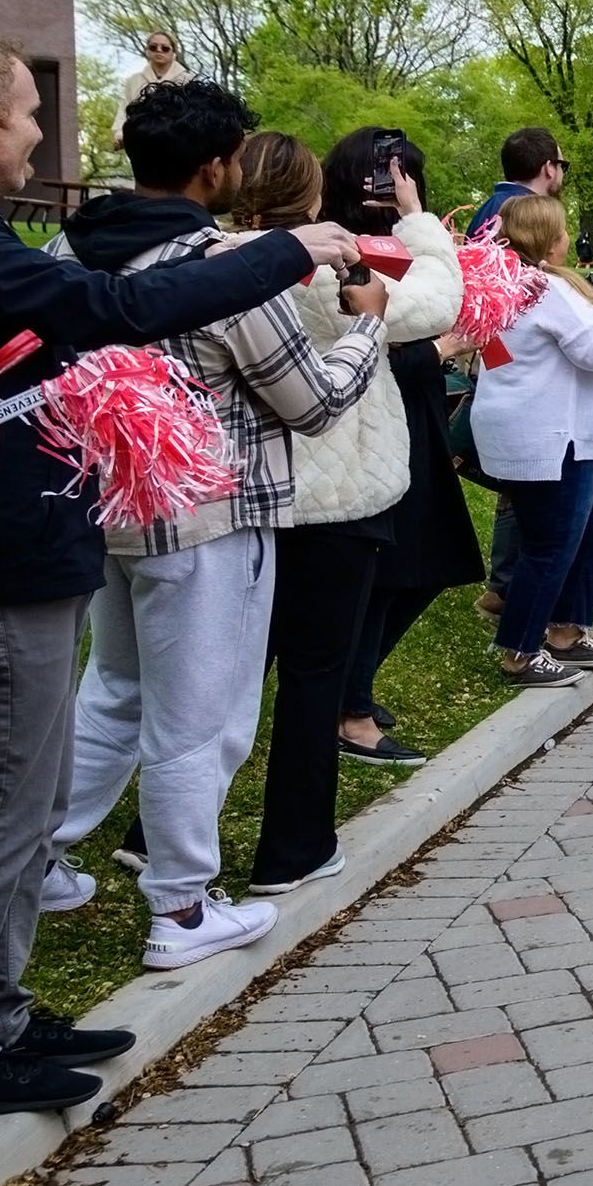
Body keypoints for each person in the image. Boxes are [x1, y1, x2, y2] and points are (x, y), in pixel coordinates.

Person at [0, 23, 357, 1117]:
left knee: (51, 771)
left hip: (69, 534)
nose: (38, 133)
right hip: (18, 549)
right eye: (26, 112)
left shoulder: (15, 229)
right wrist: (298, 254)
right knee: (26, 792)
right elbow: (110, 317)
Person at [44, 83, 387, 969]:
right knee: (203, 715)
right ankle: (183, 908)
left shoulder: (64, 250)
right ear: (214, 167)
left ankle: (39, 859)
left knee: (112, 694)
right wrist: (366, 330)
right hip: (212, 515)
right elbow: (311, 405)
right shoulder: (229, 271)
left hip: (112, 508)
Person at [247, 131, 463, 893]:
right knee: (313, 676)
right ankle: (294, 846)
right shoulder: (311, 270)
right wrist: (418, 218)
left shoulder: (214, 262)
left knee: (230, 681)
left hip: (249, 493)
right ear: (309, 196)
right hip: (332, 493)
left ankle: (158, 836)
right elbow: (434, 304)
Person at [325, 131, 485, 767]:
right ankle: (348, 705)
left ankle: (350, 687)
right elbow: (410, 316)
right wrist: (438, 350)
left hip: (410, 420)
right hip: (365, 426)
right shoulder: (334, 244)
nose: (392, 186)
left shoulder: (394, 246)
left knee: (419, 567)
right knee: (382, 573)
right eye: (387, 176)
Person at [474, 194, 593, 684]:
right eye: (562, 230)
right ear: (547, 240)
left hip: (544, 430)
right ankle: (519, 651)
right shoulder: (544, 288)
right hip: (550, 434)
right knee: (552, 543)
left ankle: (567, 630)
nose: (568, 238)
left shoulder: (504, 285)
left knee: (588, 529)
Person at [467, 127, 567, 236]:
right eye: (563, 166)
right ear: (549, 169)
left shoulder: (488, 209)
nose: (562, 173)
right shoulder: (529, 217)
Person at [109, 30, 190, 145]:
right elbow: (124, 110)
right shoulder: (133, 81)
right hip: (142, 143)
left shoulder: (188, 80)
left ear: (174, 52)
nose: (159, 50)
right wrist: (120, 134)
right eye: (153, 47)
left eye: (165, 48)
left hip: (178, 143)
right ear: (147, 51)